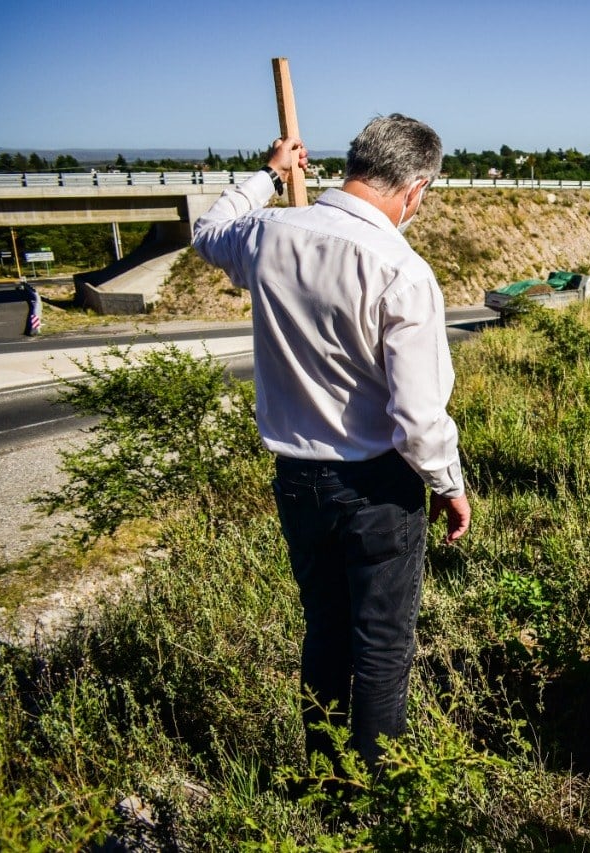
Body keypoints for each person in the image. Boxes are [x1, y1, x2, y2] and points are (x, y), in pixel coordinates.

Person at [192, 114, 470, 770]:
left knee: (325, 632)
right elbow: (417, 415)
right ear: (416, 187)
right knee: (380, 646)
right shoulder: (400, 269)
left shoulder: (269, 233)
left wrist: (269, 173)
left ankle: (324, 775)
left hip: (296, 479)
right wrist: (449, 485)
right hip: (377, 484)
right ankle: (379, 790)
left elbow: (206, 233)